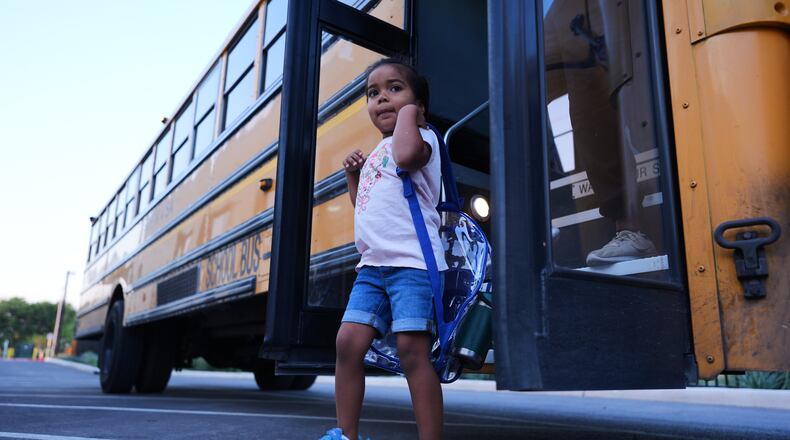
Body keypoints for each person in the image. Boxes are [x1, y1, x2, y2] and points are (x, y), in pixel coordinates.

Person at [320, 59, 446, 440]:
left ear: (419, 105)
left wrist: (411, 113)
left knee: (412, 350)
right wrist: (353, 176)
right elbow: (366, 208)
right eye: (373, 94)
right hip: (372, 266)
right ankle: (346, 435)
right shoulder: (379, 150)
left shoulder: (423, 140)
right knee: (347, 343)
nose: (382, 99)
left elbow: (407, 158)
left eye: (395, 89)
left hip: (413, 265)